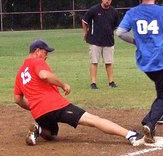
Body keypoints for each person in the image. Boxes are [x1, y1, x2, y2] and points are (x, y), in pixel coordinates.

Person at [14, 39, 144, 146]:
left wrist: (33, 107)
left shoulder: (20, 73)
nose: (46, 55)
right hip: (55, 105)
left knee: (51, 133)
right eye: (45, 52)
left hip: (39, 113)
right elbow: (44, 75)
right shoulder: (37, 61)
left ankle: (39, 129)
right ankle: (130, 135)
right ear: (37, 51)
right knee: (93, 119)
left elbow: (18, 99)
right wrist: (63, 85)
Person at [116, 0, 163, 143]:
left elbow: (120, 32)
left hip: (144, 62)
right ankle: (150, 122)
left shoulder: (132, 12)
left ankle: (155, 118)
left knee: (161, 91)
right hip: (162, 61)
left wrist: (136, 41)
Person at [81, 0, 119, 89]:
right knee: (94, 62)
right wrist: (85, 33)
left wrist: (109, 32)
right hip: (95, 41)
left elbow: (115, 26)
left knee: (109, 62)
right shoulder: (94, 10)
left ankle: (111, 82)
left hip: (108, 41)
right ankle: (93, 83)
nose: (107, 1)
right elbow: (84, 21)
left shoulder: (114, 12)